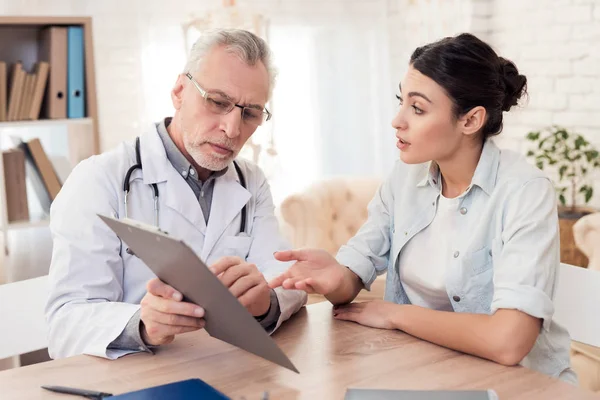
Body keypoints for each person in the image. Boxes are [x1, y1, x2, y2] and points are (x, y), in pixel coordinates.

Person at [269, 33, 577, 383]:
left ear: (470, 120)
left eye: (417, 108)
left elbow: (508, 342)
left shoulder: (524, 192)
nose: (397, 120)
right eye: (401, 101)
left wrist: (395, 315)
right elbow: (353, 276)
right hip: (427, 369)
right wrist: (335, 275)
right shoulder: (406, 175)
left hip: (519, 384)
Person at [45, 29, 306, 360]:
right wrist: (141, 324)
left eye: (250, 113)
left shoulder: (251, 181)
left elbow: (286, 279)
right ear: (180, 91)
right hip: (137, 377)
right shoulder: (100, 179)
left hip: (230, 369)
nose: (232, 128)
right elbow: (64, 322)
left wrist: (264, 301)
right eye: (218, 102)